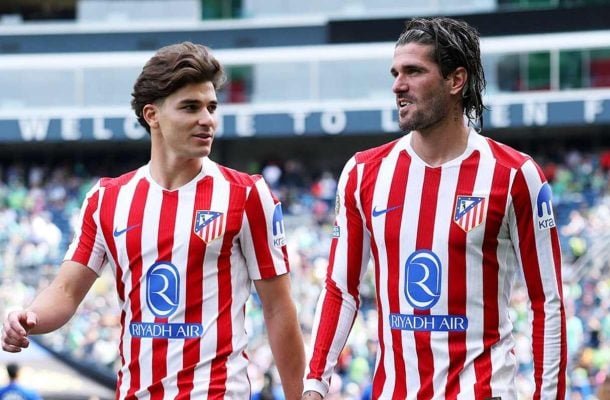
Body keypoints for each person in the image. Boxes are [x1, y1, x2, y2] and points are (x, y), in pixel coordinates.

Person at [1, 42, 305, 399]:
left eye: (211, 107)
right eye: (190, 107)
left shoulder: (247, 195)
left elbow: (278, 309)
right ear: (152, 115)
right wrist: (29, 317)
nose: (207, 119)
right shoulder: (107, 199)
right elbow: (66, 291)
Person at [302, 17, 566, 400]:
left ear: (456, 80)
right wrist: (314, 384)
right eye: (395, 73)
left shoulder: (514, 175)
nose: (398, 85)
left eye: (414, 71)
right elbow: (340, 289)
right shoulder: (363, 173)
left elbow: (547, 302)